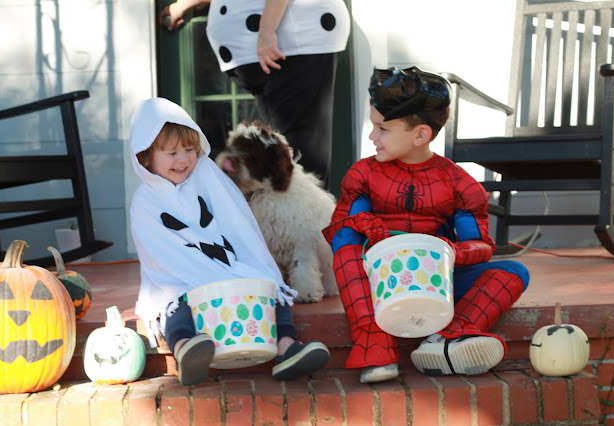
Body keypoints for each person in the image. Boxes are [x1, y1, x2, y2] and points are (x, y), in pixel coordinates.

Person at [322, 66, 530, 384]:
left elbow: (482, 247)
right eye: (374, 126)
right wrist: (364, 226)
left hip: (436, 280)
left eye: (382, 128)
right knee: (347, 239)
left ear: (420, 135)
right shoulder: (363, 174)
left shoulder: (460, 184)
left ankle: (446, 338)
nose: (372, 136)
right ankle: (374, 340)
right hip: (378, 281)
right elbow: (341, 233)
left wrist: (452, 251)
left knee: (514, 272)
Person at [129, 97, 330, 386]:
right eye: (172, 153)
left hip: (228, 261)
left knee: (269, 284)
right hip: (181, 274)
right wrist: (203, 273)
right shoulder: (145, 201)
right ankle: (185, 349)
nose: (183, 160)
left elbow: (236, 220)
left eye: (189, 149)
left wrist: (248, 264)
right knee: (174, 303)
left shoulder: (207, 176)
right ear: (145, 157)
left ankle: (287, 348)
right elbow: (159, 254)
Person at [159, 0, 351, 187]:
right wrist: (185, 4)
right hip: (271, 52)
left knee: (301, 155)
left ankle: (307, 209)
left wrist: (267, 29)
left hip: (293, 42)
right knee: (282, 155)